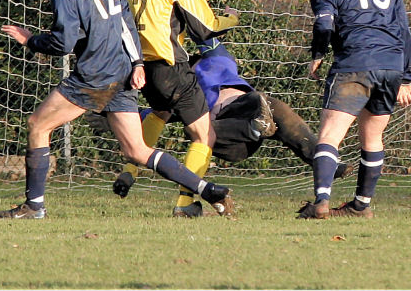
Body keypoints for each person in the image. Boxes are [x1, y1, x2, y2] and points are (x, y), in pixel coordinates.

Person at [0, 0, 230, 219]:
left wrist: (30, 40)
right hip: (123, 71)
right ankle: (208, 190)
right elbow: (125, 25)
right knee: (136, 150)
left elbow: (63, 44)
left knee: (38, 125)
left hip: (95, 77)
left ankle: (34, 205)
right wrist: (137, 63)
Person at [110, 37, 352, 217]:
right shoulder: (182, 95)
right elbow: (148, 126)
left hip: (246, 105)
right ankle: (256, 127)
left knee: (270, 108)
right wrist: (129, 170)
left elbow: (206, 33)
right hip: (233, 139)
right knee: (198, 131)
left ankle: (322, 161)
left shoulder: (214, 60)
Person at [296, 0, 411, 219]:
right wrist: (406, 77)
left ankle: (321, 202)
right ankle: (361, 205)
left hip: (355, 63)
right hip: (391, 65)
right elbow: (404, 30)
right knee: (373, 137)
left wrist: (318, 54)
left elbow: (325, 23)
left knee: (329, 135)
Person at [121, 0, 239, 217]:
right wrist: (232, 19)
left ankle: (129, 172)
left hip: (138, 72)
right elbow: (206, 29)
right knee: (203, 135)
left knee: (160, 112)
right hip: (170, 69)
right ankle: (185, 205)